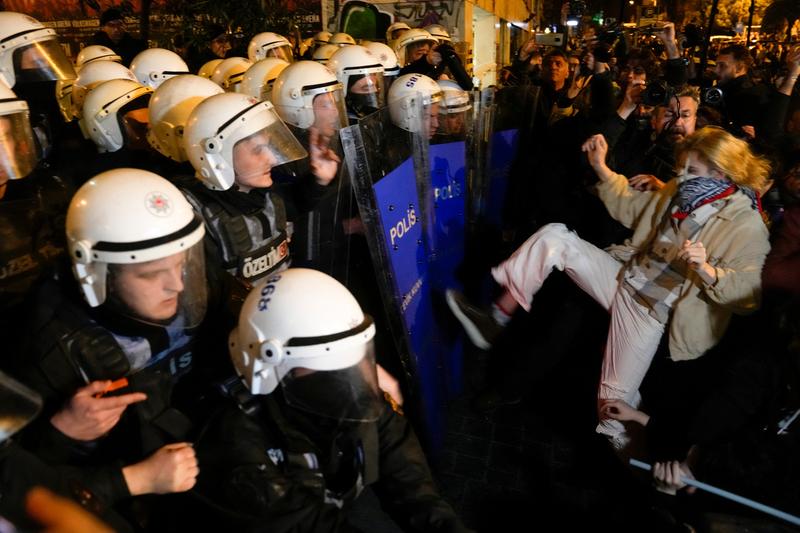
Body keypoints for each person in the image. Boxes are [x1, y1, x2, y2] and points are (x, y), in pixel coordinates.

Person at [447, 127, 771, 449]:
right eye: (682, 167)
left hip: (647, 313)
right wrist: (601, 166)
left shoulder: (746, 224)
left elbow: (748, 295)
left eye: (692, 170)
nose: (682, 175)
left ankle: (645, 466)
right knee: (555, 238)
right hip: (623, 277)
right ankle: (497, 318)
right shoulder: (682, 191)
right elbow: (633, 207)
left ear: (719, 173)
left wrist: (707, 269)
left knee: (613, 410)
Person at [193, 268, 473, 532]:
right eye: (326, 365)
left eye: (350, 363)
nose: (345, 379)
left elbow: (408, 478)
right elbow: (304, 523)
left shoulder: (350, 395)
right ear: (268, 367)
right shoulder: (238, 450)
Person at [14, 169, 208, 524]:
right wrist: (60, 432)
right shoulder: (52, 349)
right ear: (98, 275)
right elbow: (17, 480)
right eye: (151, 274)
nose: (177, 285)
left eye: (182, 265)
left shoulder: (179, 292)